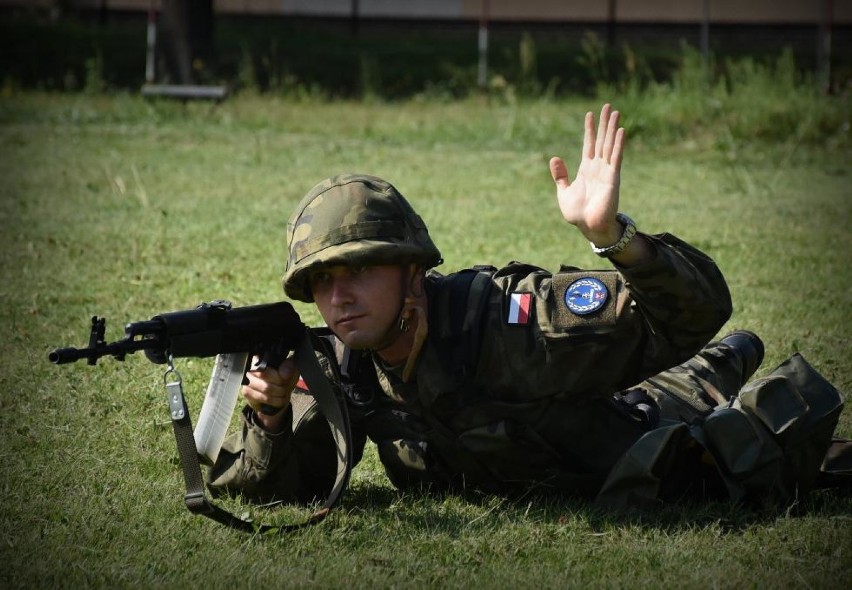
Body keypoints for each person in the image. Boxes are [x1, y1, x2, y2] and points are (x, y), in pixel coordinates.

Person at [208, 104, 849, 509]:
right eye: (322, 283)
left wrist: (614, 239)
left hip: (642, 409)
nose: (338, 297)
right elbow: (284, 493)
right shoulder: (342, 364)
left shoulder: (510, 322)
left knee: (736, 437)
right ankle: (720, 362)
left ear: (412, 272)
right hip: (593, 402)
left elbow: (689, 313)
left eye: (360, 271)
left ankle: (719, 365)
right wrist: (269, 418)